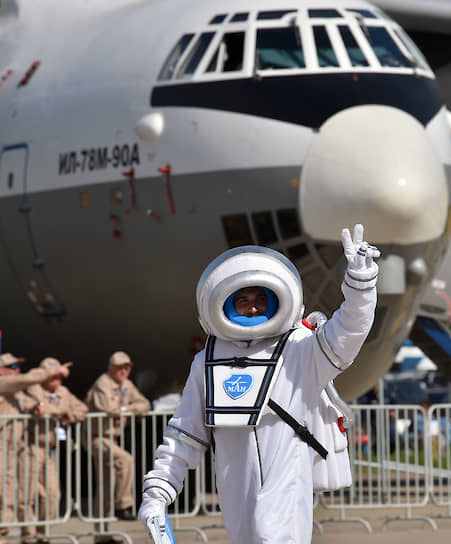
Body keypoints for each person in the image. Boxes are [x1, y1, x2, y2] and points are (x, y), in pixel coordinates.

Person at [138, 224, 380, 544]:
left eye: (259, 300)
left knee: (274, 534)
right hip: (235, 485)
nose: (252, 307)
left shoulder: (300, 348)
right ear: (226, 303)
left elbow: (348, 331)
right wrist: (157, 492)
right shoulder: (208, 360)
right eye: (243, 300)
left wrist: (360, 286)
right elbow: (185, 433)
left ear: (273, 300)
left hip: (286, 477)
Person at [0, 353, 71, 544]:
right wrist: (54, 370)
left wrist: (36, 407)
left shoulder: (14, 393)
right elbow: (29, 378)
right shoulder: (3, 384)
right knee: (4, 494)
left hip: (9, 449)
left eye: (17, 367)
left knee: (7, 494)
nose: (16, 371)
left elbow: (27, 403)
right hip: (3, 448)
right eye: (11, 368)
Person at [19, 358, 88, 543]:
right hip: (29, 448)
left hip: (48, 448)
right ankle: (29, 536)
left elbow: (82, 409)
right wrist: (61, 410)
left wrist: (72, 417)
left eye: (59, 376)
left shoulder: (63, 391)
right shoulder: (34, 389)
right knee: (28, 494)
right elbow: (41, 410)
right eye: (53, 375)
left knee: (52, 493)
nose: (57, 379)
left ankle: (43, 533)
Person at [84, 351, 150, 525]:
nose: (124, 371)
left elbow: (145, 404)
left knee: (105, 487)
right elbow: (108, 408)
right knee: (125, 460)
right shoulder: (103, 383)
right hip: (96, 436)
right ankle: (123, 505)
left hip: (112, 438)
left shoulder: (127, 384)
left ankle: (102, 537)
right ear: (111, 368)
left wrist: (125, 409)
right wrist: (128, 408)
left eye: (127, 367)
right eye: (120, 367)